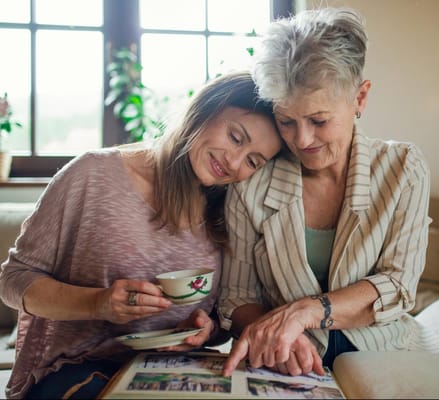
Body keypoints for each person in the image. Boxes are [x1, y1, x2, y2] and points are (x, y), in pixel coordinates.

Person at [0, 70, 283, 399]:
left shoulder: (229, 210)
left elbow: (219, 317)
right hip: (75, 370)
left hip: (175, 375)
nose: (234, 162)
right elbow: (13, 280)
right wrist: (99, 303)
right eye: (235, 137)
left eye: (253, 160)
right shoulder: (92, 175)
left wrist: (205, 330)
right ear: (205, 109)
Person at [218, 7, 431, 378]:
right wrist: (279, 335)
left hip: (383, 356)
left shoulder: (404, 169)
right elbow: (236, 297)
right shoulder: (252, 182)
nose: (301, 140)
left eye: (319, 120)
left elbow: (398, 285)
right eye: (286, 121)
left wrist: (307, 312)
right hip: (285, 365)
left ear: (360, 98)